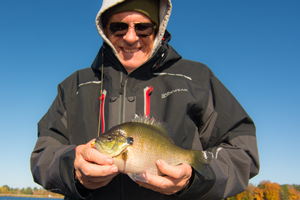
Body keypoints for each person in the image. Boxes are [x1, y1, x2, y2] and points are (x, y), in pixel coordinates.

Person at [31, 0, 260, 199]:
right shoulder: (74, 87)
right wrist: (72, 168)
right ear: (104, 29)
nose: (131, 37)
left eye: (142, 28)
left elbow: (243, 152)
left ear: (157, 29)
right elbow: (42, 155)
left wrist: (195, 178)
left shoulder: (197, 79)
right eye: (119, 27)